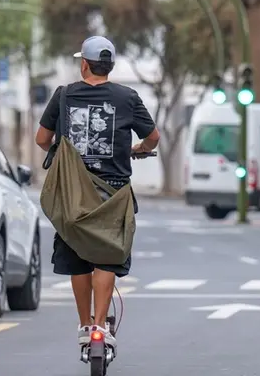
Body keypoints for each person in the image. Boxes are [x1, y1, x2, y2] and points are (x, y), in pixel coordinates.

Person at [35, 36, 160, 349]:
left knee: (77, 255)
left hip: (72, 192)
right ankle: (101, 327)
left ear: (84, 64)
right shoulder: (128, 97)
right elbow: (154, 137)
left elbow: (41, 139)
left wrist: (62, 152)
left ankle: (84, 324)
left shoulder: (63, 95)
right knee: (106, 256)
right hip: (114, 193)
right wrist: (140, 149)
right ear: (111, 66)